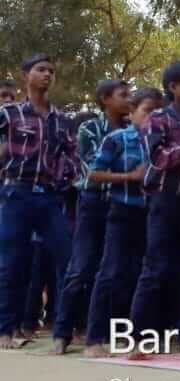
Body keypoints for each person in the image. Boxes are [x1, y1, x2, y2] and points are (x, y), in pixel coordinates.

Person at [0, 54, 78, 350]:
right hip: (16, 193)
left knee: (68, 260)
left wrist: (63, 178)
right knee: (12, 264)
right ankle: (5, 331)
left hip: (48, 197)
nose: (47, 75)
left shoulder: (61, 119)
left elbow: (71, 155)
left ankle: (62, 333)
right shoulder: (10, 113)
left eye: (50, 71)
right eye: (40, 70)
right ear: (26, 76)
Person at [81, 88, 163, 357]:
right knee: (110, 272)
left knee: (141, 276)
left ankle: (136, 339)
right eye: (148, 111)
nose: (153, 117)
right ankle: (94, 339)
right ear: (133, 110)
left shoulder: (161, 142)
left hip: (151, 214)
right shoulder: (117, 139)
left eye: (158, 112)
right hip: (121, 211)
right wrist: (129, 177)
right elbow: (93, 174)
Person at [52, 79, 131, 354]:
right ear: (105, 99)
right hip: (93, 201)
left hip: (120, 203)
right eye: (123, 95)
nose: (128, 100)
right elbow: (92, 167)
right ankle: (61, 333)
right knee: (81, 268)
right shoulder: (89, 128)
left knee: (112, 270)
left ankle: (100, 335)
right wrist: (127, 174)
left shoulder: (130, 130)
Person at [129, 62, 180, 354]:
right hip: (165, 200)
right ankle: (138, 337)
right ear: (173, 87)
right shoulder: (157, 119)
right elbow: (159, 158)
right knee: (155, 269)